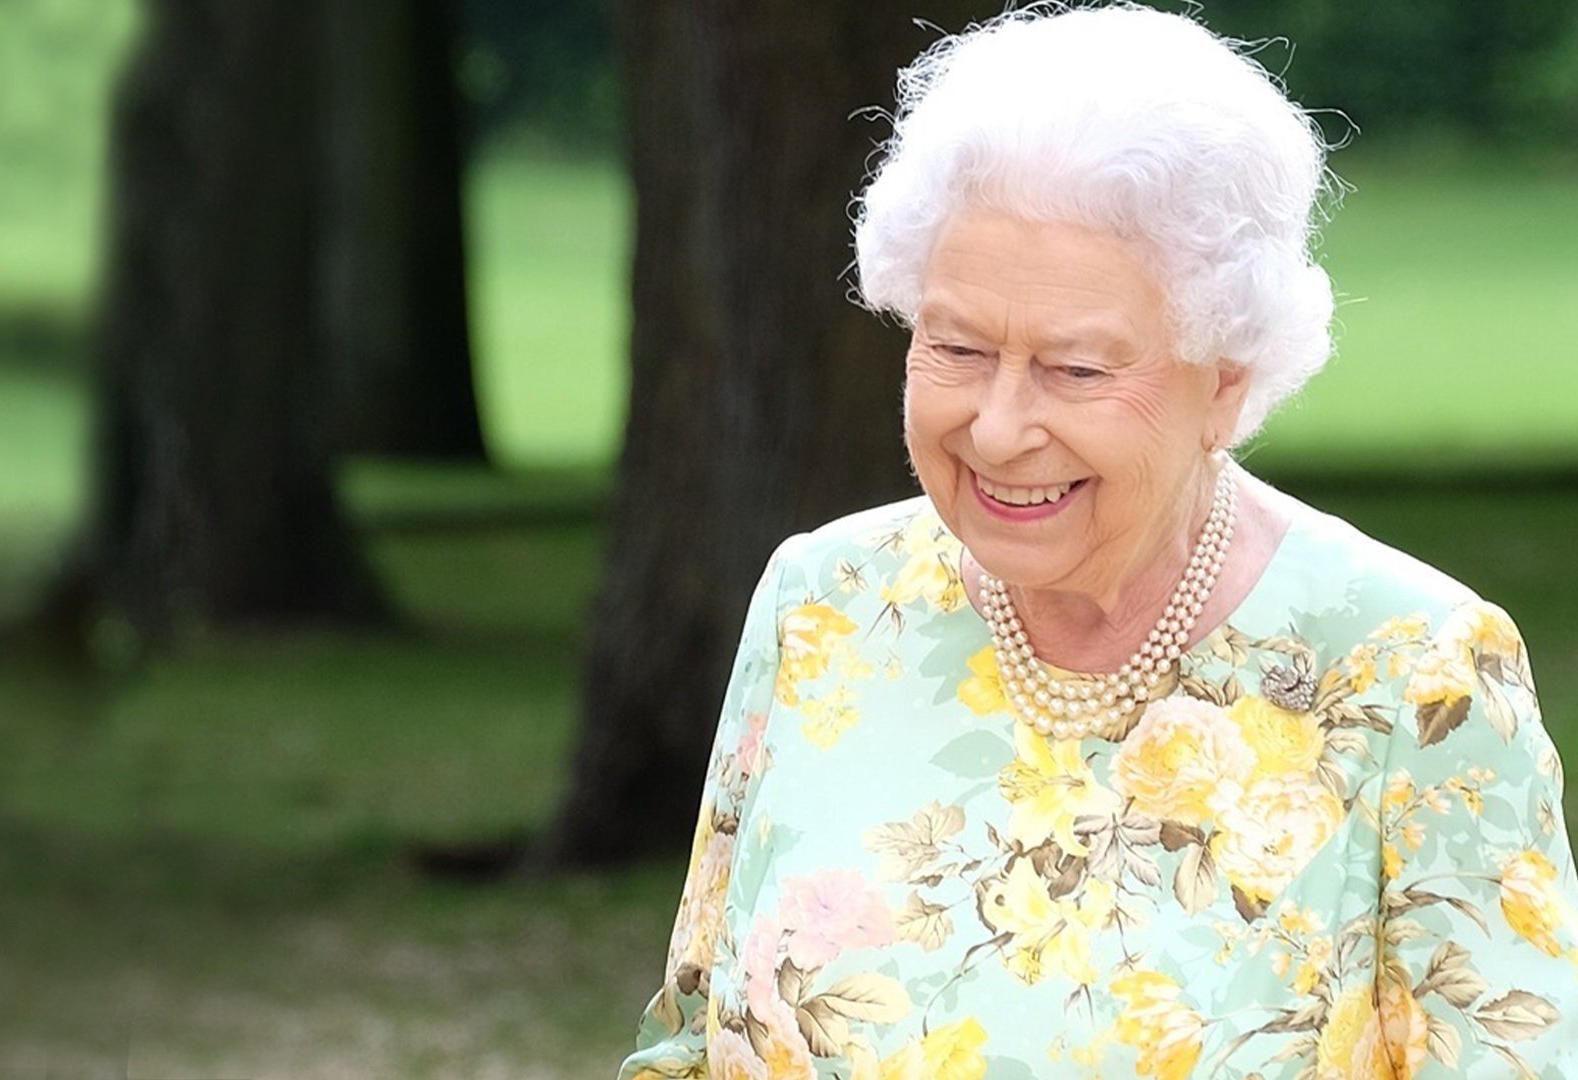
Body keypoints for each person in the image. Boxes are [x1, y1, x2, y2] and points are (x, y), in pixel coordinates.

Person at [615, 5, 1578, 1078]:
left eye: (1075, 369)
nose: (997, 426)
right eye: (959, 347)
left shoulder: (1416, 675)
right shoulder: (825, 601)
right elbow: (690, 1044)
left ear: (1225, 381)